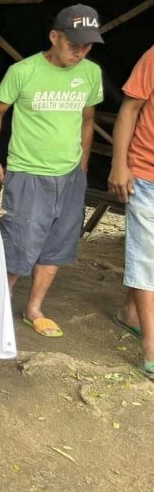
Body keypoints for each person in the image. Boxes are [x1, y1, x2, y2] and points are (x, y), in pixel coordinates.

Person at [0, 4, 104, 338]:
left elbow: (87, 119)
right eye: (73, 43)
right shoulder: (23, 71)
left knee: (57, 243)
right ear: (54, 36)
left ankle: (34, 308)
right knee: (19, 240)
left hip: (69, 175)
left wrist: (82, 166)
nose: (80, 51)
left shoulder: (90, 74)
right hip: (27, 172)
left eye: (87, 45)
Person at [108, 46, 154, 378]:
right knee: (146, 258)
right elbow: (130, 108)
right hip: (147, 173)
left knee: (148, 252)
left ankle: (129, 312)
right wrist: (118, 164)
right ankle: (152, 348)